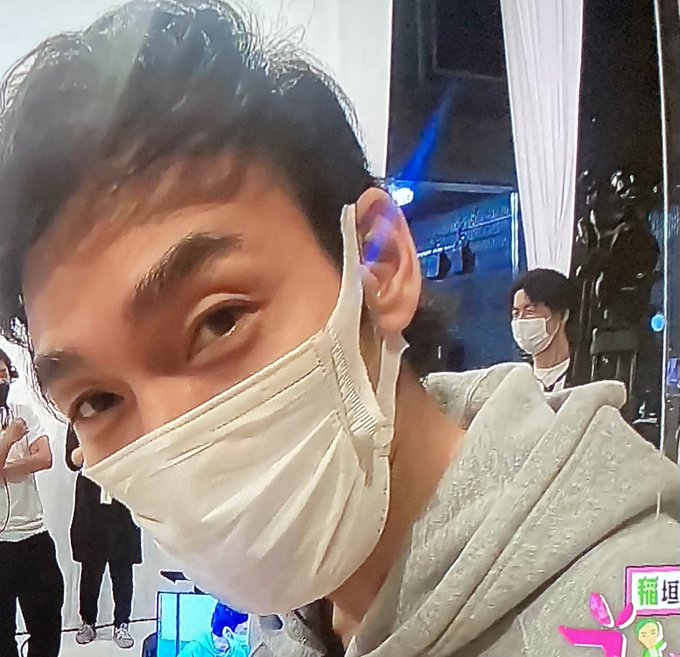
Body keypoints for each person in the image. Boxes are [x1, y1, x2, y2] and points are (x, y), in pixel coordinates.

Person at [0, 2, 677, 656]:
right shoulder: (306, 621)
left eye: (218, 321)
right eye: (96, 400)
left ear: (380, 266)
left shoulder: (629, 614)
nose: (172, 436)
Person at [0, 348, 64, 657]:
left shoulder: (23, 412)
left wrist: (4, 469)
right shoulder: (15, 429)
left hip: (34, 537)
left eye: (3, 374)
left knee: (47, 626)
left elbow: (45, 458)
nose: (1, 381)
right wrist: (9, 440)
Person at [65, 424, 141, 650]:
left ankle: (122, 623)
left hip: (122, 498)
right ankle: (87, 622)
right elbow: (72, 461)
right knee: (90, 568)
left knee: (123, 568)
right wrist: (94, 438)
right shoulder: (79, 420)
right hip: (91, 501)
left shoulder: (127, 417)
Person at [510, 268, 575, 392]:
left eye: (530, 311)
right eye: (516, 314)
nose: (521, 320)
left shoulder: (588, 375)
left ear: (563, 315)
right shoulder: (515, 384)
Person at [178, 604, 249, 657]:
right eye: (241, 622)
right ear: (227, 630)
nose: (246, 626)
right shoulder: (195, 649)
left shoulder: (239, 651)